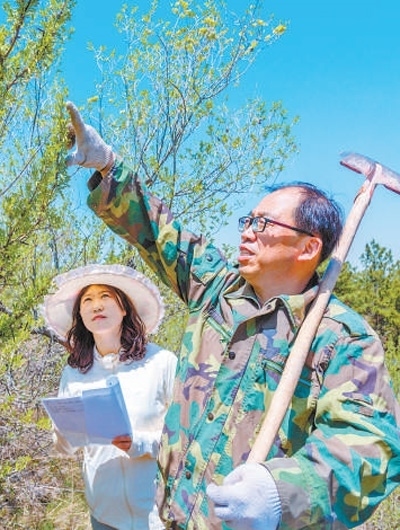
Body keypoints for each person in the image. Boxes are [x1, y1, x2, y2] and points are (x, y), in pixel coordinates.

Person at [63, 101, 400, 530]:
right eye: (247, 220)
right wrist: (109, 166)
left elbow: (371, 448)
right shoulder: (215, 289)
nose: (246, 232)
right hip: (173, 517)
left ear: (308, 248)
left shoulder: (341, 338)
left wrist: (281, 491)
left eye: (263, 224)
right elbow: (158, 230)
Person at [43, 263, 177, 530]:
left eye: (105, 296)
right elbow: (66, 448)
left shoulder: (161, 362)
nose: (96, 306)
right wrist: (62, 432)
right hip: (103, 516)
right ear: (80, 314)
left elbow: (184, 437)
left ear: (124, 307)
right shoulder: (74, 372)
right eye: (88, 300)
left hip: (156, 516)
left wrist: (138, 443)